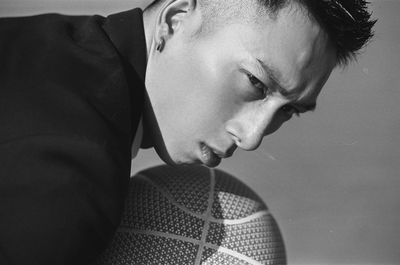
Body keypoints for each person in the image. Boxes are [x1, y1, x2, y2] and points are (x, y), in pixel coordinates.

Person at [0, 0, 375, 264]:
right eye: (256, 83)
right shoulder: (69, 180)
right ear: (175, 21)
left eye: (289, 110)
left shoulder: (40, 44)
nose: (253, 136)